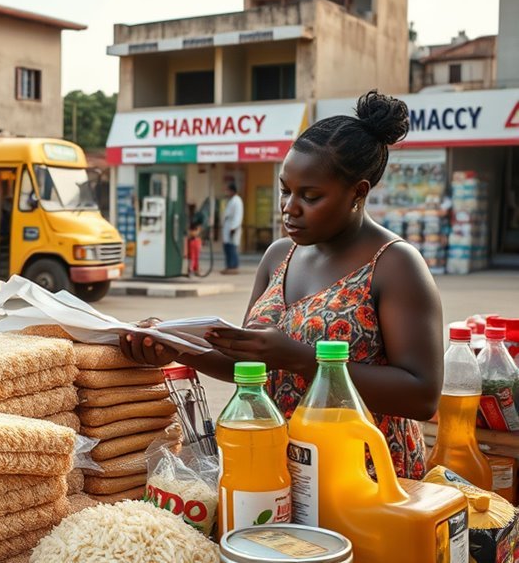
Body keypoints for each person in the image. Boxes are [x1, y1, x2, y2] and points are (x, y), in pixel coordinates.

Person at [122, 91, 442, 480]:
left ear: (358, 192)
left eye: (310, 196)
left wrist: (298, 358)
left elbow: (422, 395)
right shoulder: (278, 256)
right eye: (285, 190)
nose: (290, 207)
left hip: (363, 474)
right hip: (276, 465)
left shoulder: (395, 264)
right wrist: (178, 347)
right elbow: (248, 361)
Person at [220, 181, 243, 274]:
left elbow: (238, 215)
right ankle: (228, 266)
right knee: (227, 247)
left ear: (232, 191)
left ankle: (233, 266)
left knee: (232, 248)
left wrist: (233, 228)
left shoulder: (237, 201)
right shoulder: (231, 200)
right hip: (227, 226)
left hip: (232, 227)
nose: (227, 192)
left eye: (228, 190)